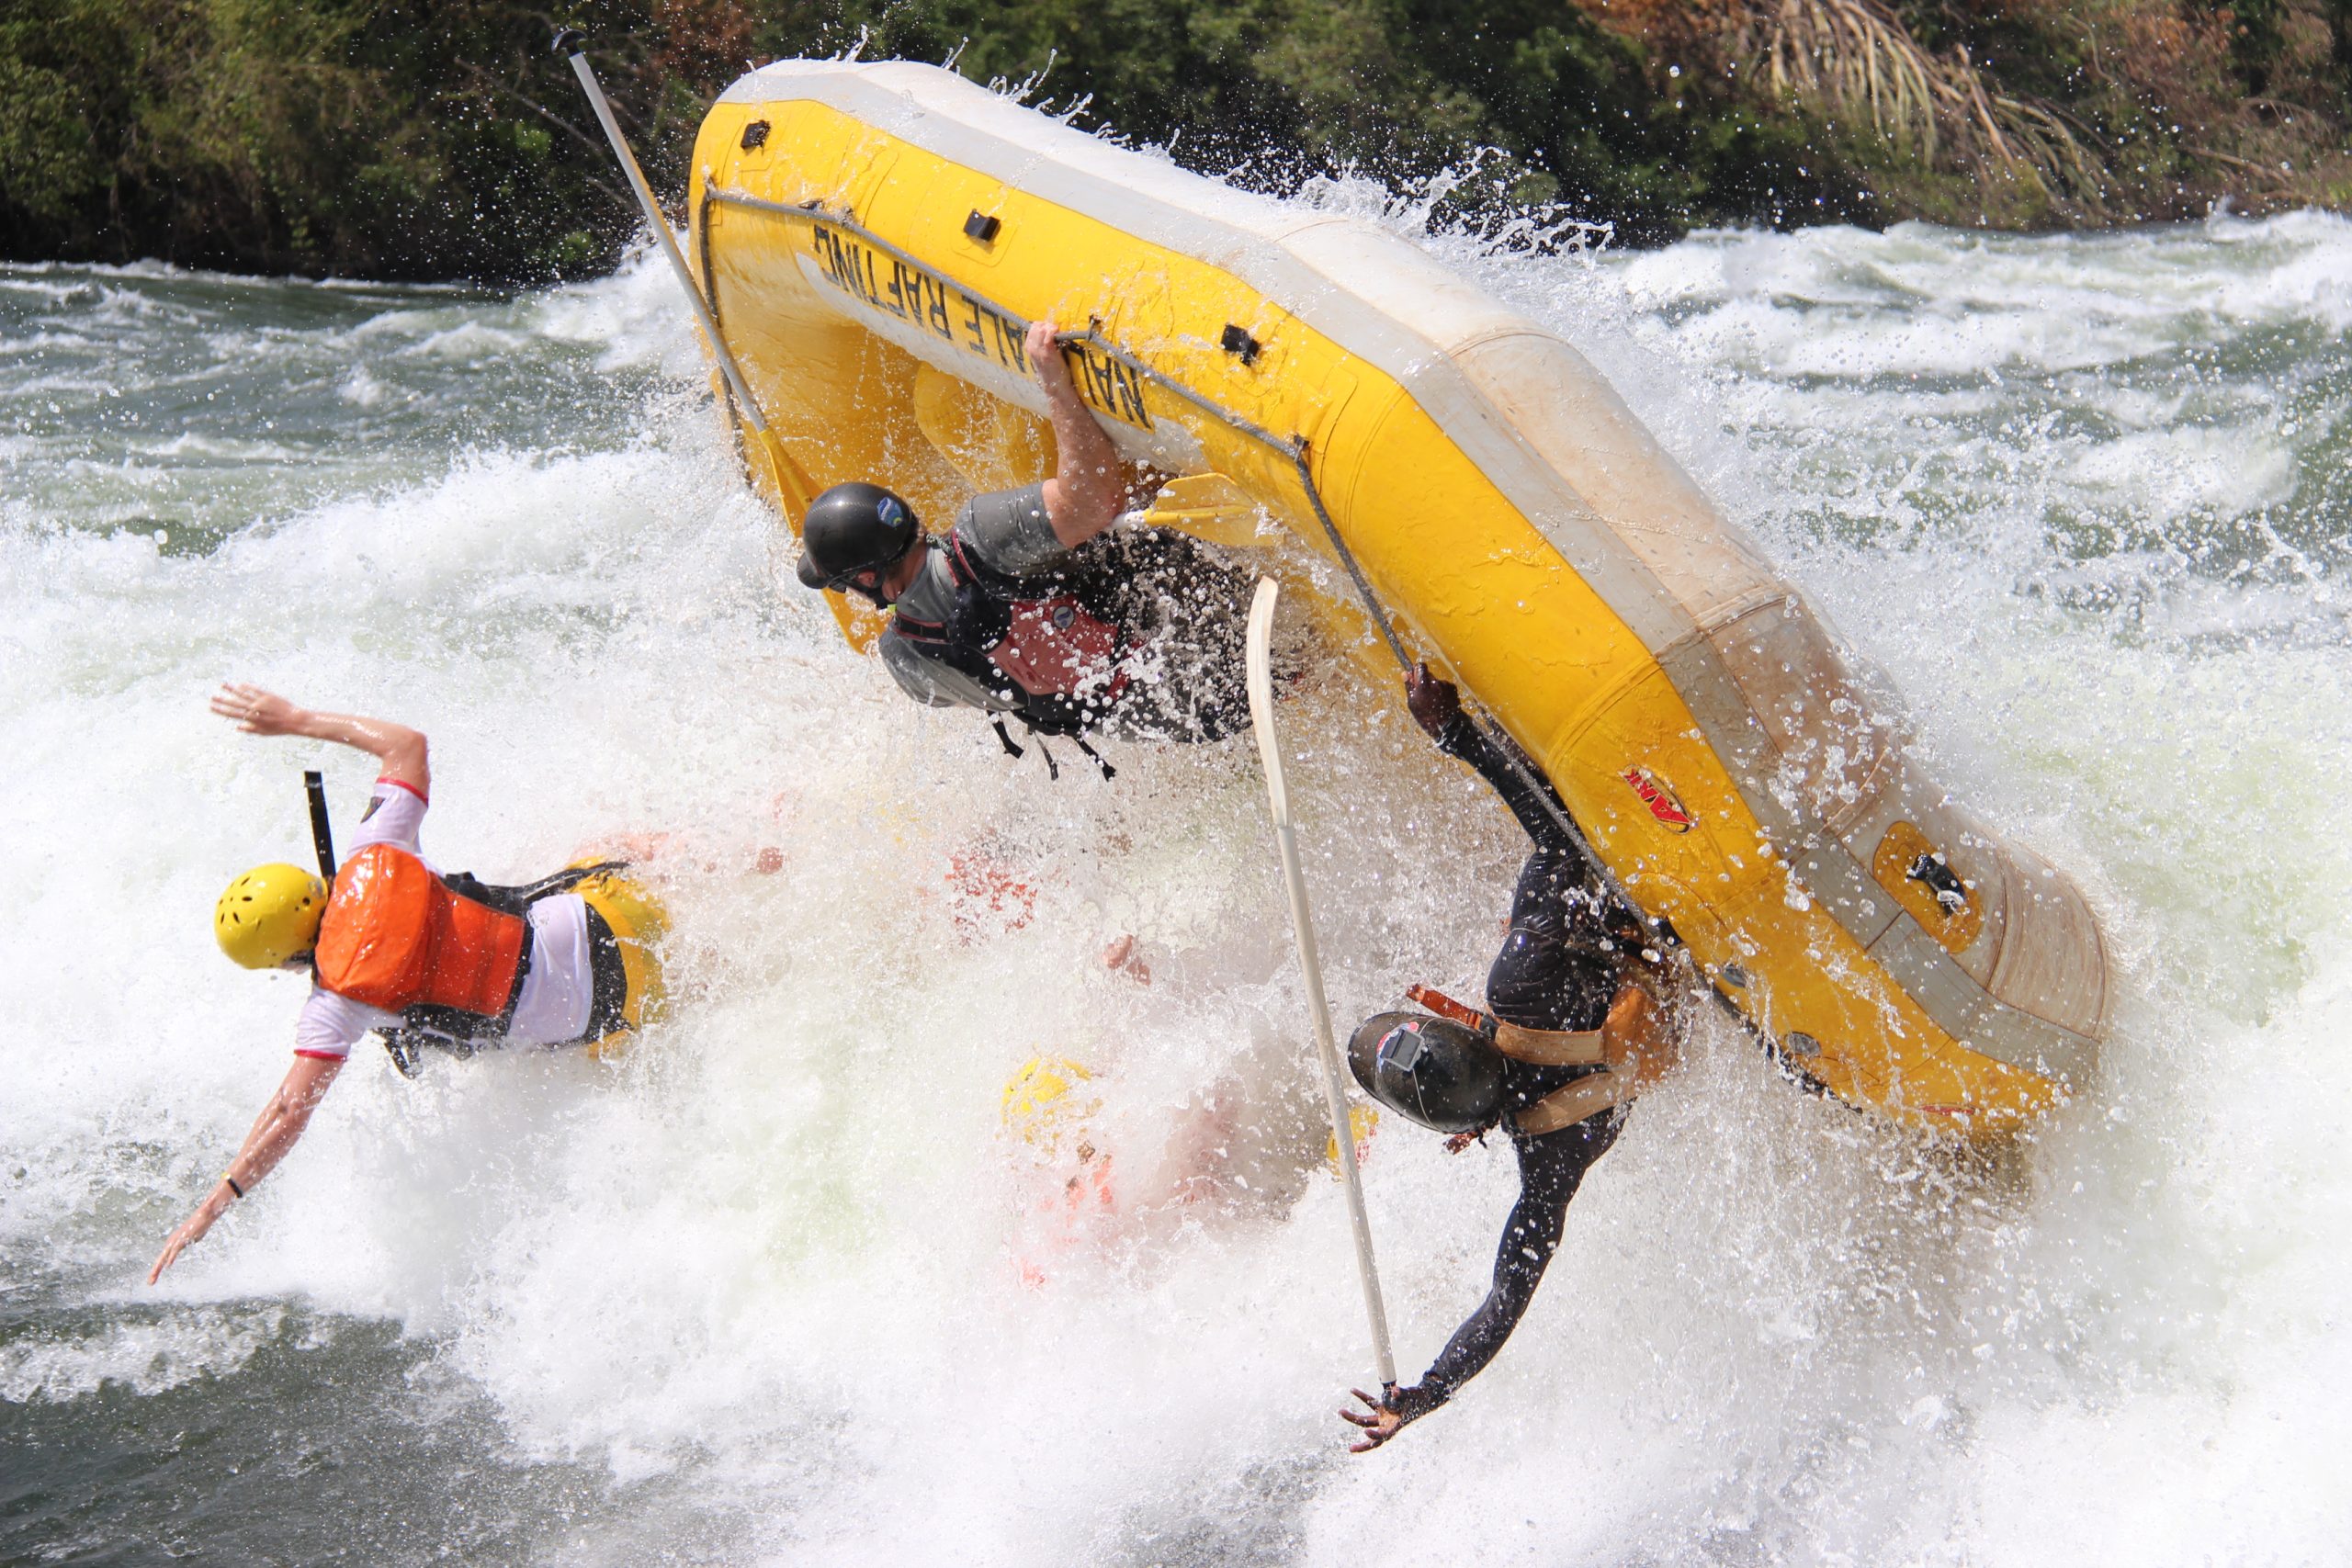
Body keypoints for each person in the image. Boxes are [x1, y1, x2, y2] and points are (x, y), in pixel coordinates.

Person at [149, 683, 666, 1284]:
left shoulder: (337, 1003)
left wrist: (213, 1204)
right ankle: (745, 852)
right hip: (613, 919)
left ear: (286, 959)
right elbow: (407, 745)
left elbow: (289, 1110)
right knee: (608, 848)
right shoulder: (377, 848)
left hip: (611, 1014)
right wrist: (295, 719)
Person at [1336, 666, 1682, 1451]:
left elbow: (1505, 1298)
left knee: (1551, 916)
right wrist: (1456, 735)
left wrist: (1425, 1392)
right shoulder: (1519, 986)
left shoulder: (1546, 1160)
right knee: (1547, 889)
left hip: (1679, 1014)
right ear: (1455, 1027)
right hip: (1641, 931)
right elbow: (1561, 834)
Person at [792, 319, 1251, 765]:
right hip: (1199, 634)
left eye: (842, 585)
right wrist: (1055, 384)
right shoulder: (980, 535)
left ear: (867, 578)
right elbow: (1092, 503)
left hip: (1183, 718)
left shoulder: (905, 661)